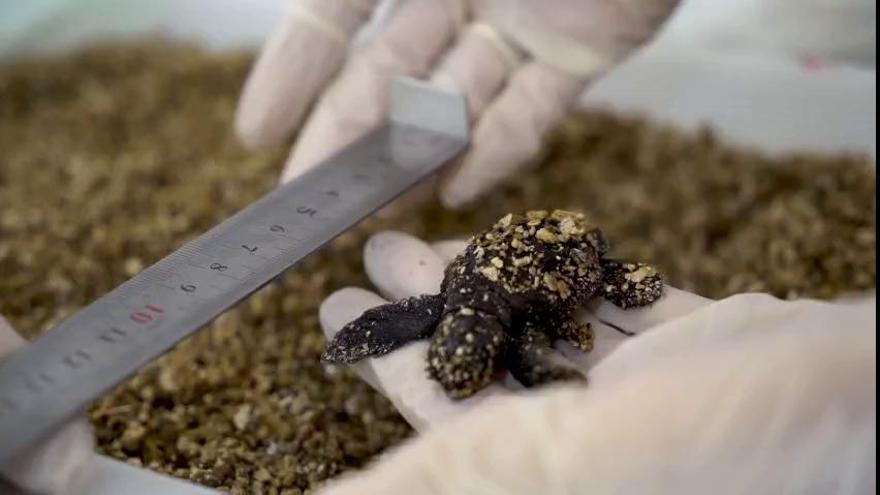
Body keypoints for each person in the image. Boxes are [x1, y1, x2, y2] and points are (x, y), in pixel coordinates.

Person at [1, 1, 875, 493]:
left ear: (472, 336)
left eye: (460, 359)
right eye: (456, 359)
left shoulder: (486, 319)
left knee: (613, 289)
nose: (457, 366)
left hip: (564, 256)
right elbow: (427, 322)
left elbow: (528, 341)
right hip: (515, 259)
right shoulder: (457, 310)